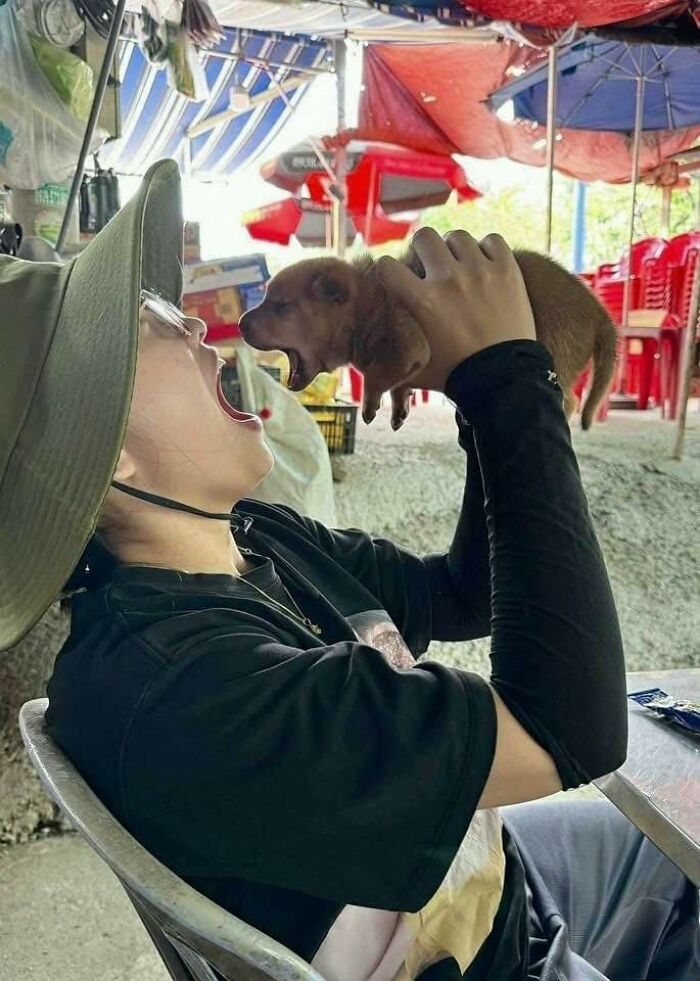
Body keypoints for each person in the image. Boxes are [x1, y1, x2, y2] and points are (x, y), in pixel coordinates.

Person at [1, 160, 697, 981]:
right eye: (149, 324)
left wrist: (475, 401)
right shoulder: (189, 692)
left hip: (481, 883)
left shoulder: (254, 537)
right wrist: (510, 381)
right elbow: (571, 732)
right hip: (489, 959)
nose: (194, 325)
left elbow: (462, 594)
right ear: (105, 448)